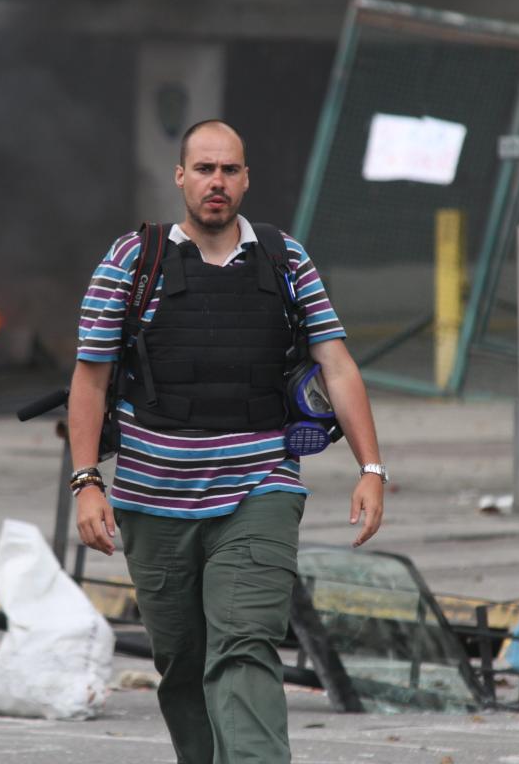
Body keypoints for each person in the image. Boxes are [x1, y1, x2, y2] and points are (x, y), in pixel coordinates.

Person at [68, 120, 386, 763]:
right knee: (183, 664)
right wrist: (86, 482)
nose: (218, 182)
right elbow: (90, 379)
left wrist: (371, 466)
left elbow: (338, 364)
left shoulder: (285, 259)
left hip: (259, 489)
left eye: (230, 170)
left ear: (246, 179)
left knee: (244, 646)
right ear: (181, 176)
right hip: (154, 498)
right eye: (205, 169)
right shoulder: (133, 260)